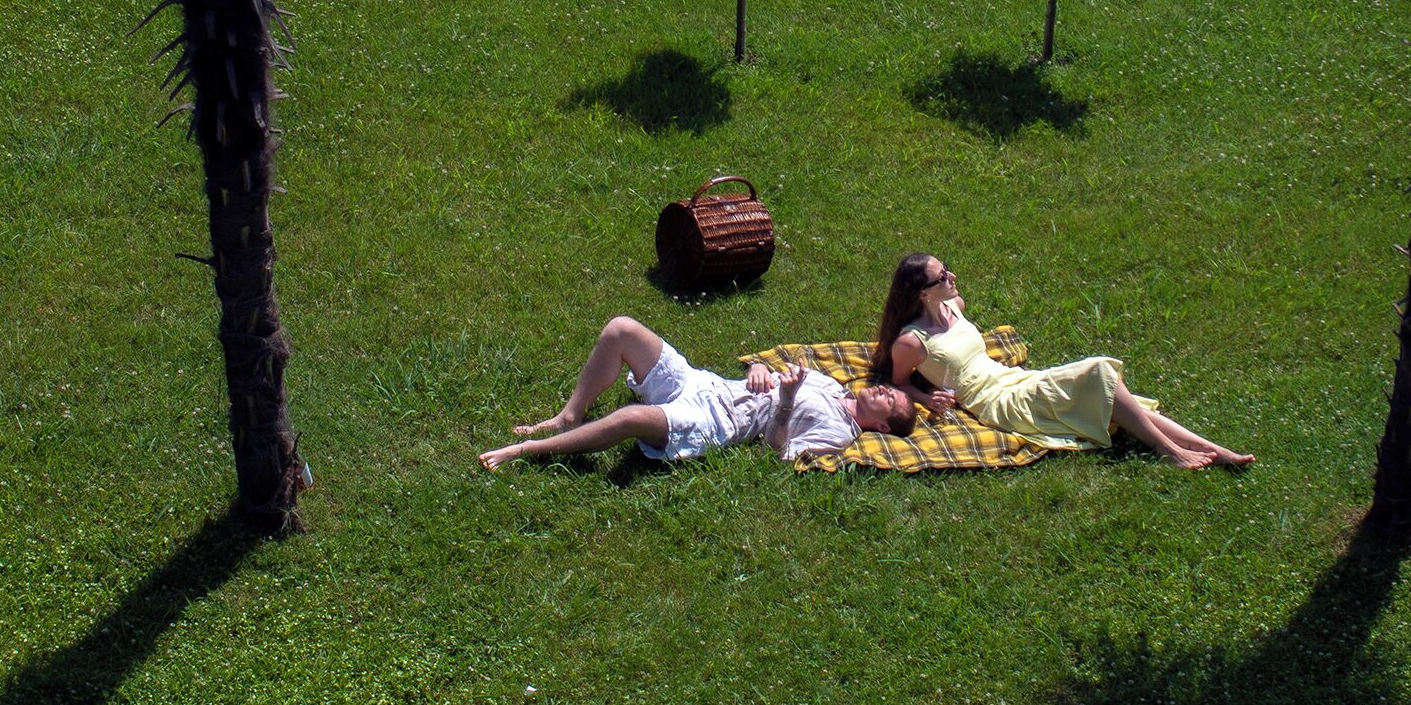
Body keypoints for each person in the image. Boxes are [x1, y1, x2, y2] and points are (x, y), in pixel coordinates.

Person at [872, 252, 1251, 469]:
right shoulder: (911, 341)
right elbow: (895, 381)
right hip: (995, 401)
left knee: (1111, 393)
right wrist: (926, 399)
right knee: (1100, 374)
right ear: (922, 294)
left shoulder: (956, 306)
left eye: (947, 267)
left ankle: (1213, 450)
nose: (952, 277)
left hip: (1015, 378)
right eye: (942, 277)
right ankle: (1170, 450)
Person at [480, 315, 913, 471]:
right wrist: (762, 370)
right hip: (705, 384)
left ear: (878, 425)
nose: (884, 390)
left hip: (716, 422)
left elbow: (778, 452)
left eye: (890, 400)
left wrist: (781, 403)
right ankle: (569, 415)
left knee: (630, 420)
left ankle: (531, 448)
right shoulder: (831, 384)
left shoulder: (839, 433)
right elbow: (771, 370)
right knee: (621, 330)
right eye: (891, 390)